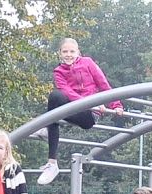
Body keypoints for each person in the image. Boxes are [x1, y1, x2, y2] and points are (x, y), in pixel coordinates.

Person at [34, 38, 123, 186]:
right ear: (59, 53)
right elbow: (67, 92)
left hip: (89, 115)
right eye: (65, 51)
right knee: (55, 97)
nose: (68, 55)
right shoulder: (59, 72)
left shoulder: (87, 63)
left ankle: (48, 129)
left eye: (72, 51)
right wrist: (84, 103)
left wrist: (116, 105)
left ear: (78, 52)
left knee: (51, 118)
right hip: (75, 107)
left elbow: (103, 84)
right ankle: (52, 162)